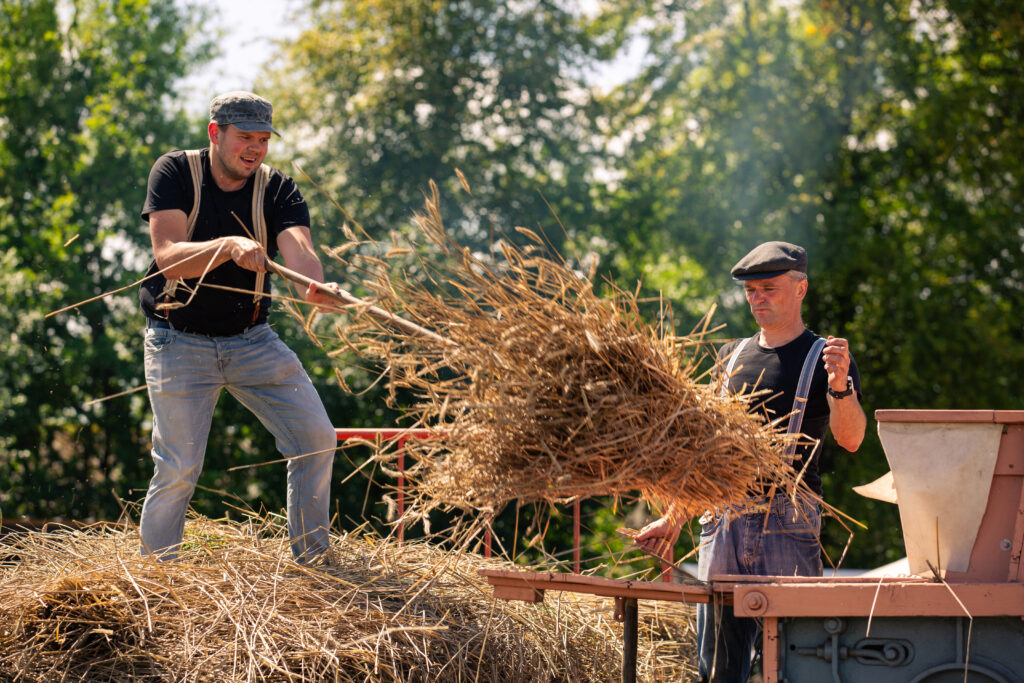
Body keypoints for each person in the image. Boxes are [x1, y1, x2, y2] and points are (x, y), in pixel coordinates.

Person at [636, 241, 866, 682]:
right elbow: (708, 457)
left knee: (796, 664)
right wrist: (674, 518)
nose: (758, 299)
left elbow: (851, 440)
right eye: (751, 291)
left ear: (800, 288)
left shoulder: (826, 358)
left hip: (788, 522)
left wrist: (840, 388)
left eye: (769, 289)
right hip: (721, 522)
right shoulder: (731, 356)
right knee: (717, 668)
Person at [138, 91, 342, 562]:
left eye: (264, 139)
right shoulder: (174, 172)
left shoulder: (278, 189)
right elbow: (169, 259)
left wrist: (315, 288)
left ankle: (314, 565)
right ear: (216, 133)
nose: (256, 148)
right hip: (177, 340)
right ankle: (155, 580)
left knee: (316, 440)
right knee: (178, 467)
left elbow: (301, 254)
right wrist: (228, 245)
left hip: (252, 341)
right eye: (245, 137)